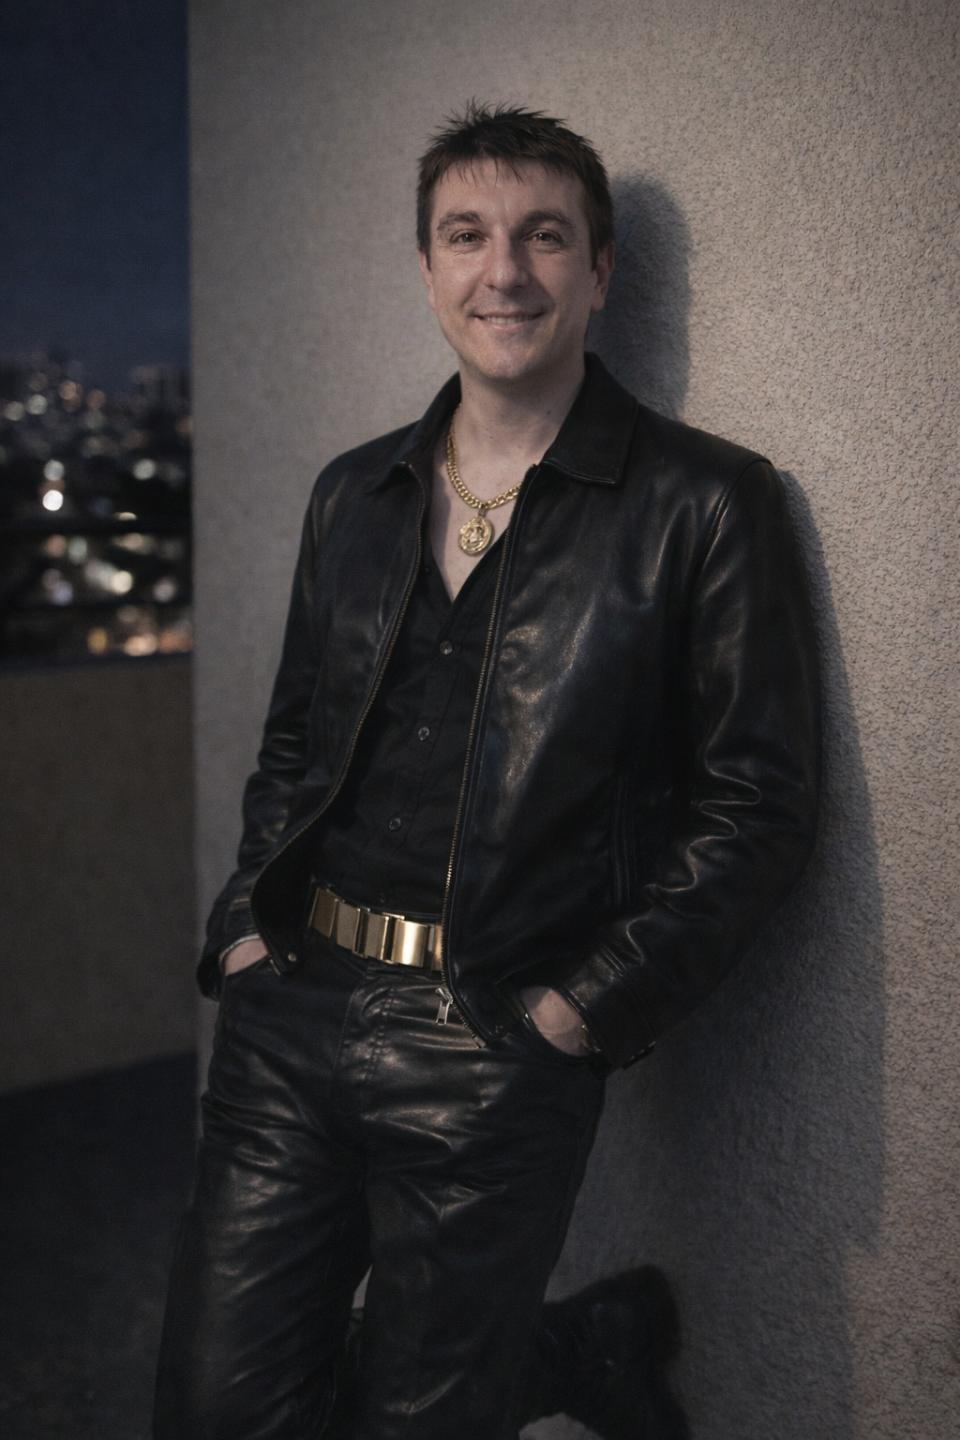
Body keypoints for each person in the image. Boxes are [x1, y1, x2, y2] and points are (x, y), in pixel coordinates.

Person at [154, 103, 820, 1439]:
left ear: (599, 271)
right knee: (215, 1412)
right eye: (466, 236)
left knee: (422, 1418)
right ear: (426, 268)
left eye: (543, 237)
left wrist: (579, 1014)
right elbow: (295, 743)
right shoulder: (354, 494)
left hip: (494, 1037)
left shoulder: (703, 505)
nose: (503, 272)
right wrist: (243, 929)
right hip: (292, 1009)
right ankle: (571, 1352)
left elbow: (757, 806)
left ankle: (561, 1355)